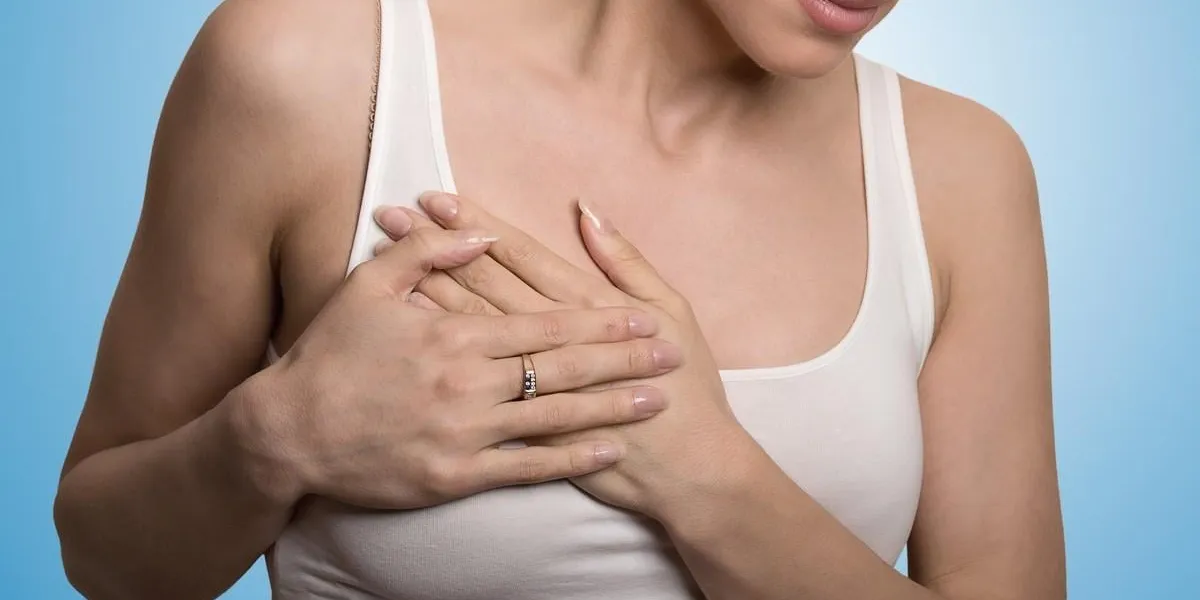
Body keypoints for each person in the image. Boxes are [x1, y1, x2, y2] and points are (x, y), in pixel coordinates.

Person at [53, 0, 1067, 598]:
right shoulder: (314, 73)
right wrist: (271, 443)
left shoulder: (959, 172)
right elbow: (100, 553)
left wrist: (713, 482)